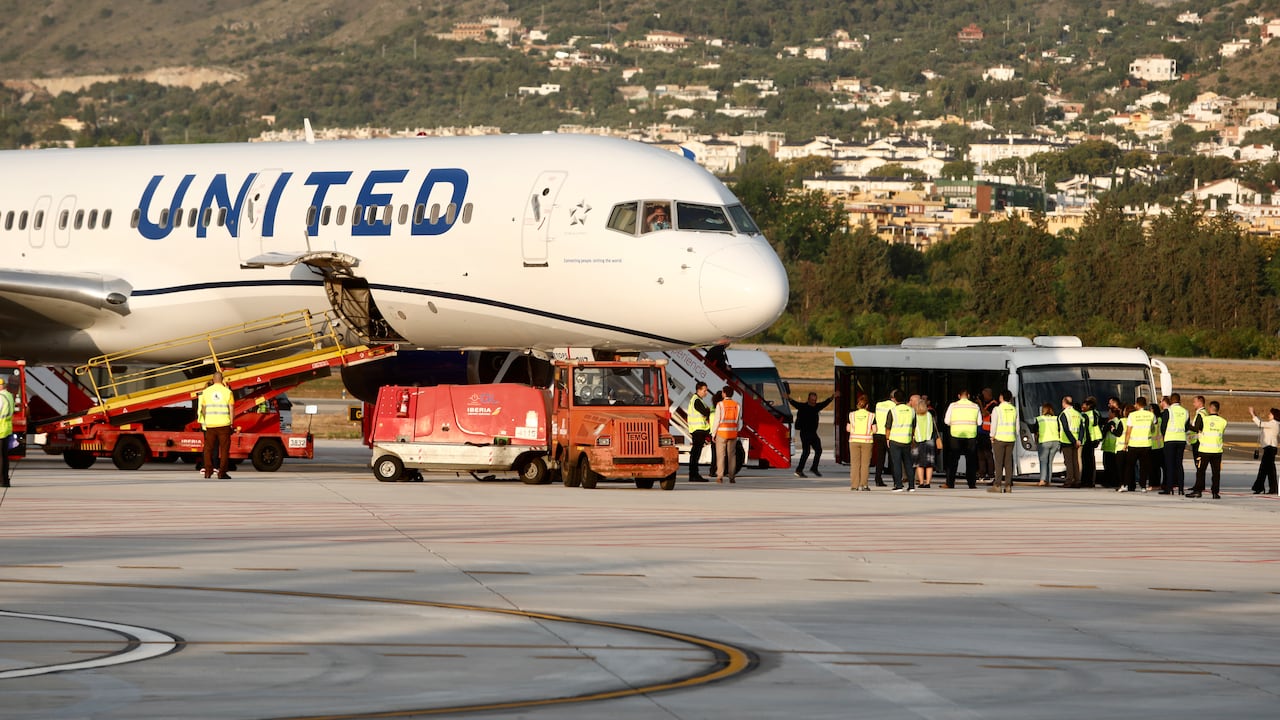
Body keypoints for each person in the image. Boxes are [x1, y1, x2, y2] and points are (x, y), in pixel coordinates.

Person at [787, 389, 835, 477]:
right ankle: (799, 470)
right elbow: (794, 403)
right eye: (812, 400)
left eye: (815, 400)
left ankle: (814, 468)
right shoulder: (803, 406)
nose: (814, 402)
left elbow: (824, 403)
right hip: (804, 433)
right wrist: (788, 398)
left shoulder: (816, 407)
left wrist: (832, 397)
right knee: (806, 452)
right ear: (808, 399)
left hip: (813, 433)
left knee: (819, 450)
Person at [198, 370, 235, 479]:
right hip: (224, 424)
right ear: (222, 380)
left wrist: (206, 420)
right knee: (224, 450)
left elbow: (203, 409)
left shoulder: (206, 392)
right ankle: (222, 472)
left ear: (213, 380)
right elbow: (231, 408)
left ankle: (208, 471)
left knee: (208, 448)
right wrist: (231, 423)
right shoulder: (227, 392)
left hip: (211, 424)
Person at [1188, 401, 1227, 499]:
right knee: (1216, 473)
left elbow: (1197, 429)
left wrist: (1187, 425)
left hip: (1204, 450)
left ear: (1210, 408)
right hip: (1217, 451)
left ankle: (1198, 491)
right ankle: (1215, 492)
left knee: (1201, 472)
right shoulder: (1223, 421)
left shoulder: (1204, 419)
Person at [943, 388, 980, 489]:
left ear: (959, 396)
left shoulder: (953, 406)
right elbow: (980, 422)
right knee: (971, 461)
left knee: (953, 460)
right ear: (968, 396)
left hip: (956, 435)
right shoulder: (975, 406)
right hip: (971, 436)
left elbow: (946, 421)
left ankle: (950, 483)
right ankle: (972, 484)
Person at [883, 390, 915, 492]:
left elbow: (888, 427)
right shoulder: (911, 411)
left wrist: (887, 438)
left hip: (895, 440)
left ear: (895, 399)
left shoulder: (892, 411)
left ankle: (899, 485)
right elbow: (914, 426)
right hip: (907, 440)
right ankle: (911, 486)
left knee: (896, 463)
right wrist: (912, 438)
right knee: (908, 463)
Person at [1122, 397, 1156, 493]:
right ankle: (1143, 486)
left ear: (1137, 404)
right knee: (1143, 467)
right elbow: (1153, 427)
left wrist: (1125, 444)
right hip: (1146, 444)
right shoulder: (1150, 415)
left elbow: (1128, 431)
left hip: (1134, 444)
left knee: (1129, 466)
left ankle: (1125, 485)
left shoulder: (1132, 415)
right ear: (1145, 404)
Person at [988, 390, 1017, 493]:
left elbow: (994, 424)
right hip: (1011, 439)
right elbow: (1017, 427)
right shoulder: (1014, 409)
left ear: (1001, 397)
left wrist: (992, 436)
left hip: (999, 439)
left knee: (999, 463)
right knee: (1008, 463)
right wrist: (1014, 435)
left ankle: (997, 485)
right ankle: (1008, 486)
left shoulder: (997, 409)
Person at [1160, 393, 1189, 495]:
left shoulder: (1168, 411)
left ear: (1171, 401)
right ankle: (1181, 488)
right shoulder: (1185, 412)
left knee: (1169, 465)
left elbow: (1163, 426)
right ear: (1179, 400)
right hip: (1181, 440)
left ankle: (1169, 488)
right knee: (1179, 465)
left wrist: (1165, 436)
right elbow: (1187, 427)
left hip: (1170, 440)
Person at [711, 386, 742, 484]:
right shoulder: (737, 405)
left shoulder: (720, 405)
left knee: (720, 455)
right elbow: (738, 421)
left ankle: (720, 476)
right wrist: (736, 430)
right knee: (732, 456)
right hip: (733, 433)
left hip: (721, 433)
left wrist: (713, 433)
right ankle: (732, 477)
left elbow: (717, 420)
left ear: (724, 393)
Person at [911, 395, 941, 489]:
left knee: (919, 463)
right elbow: (935, 429)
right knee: (929, 463)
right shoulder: (930, 415)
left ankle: (921, 482)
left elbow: (912, 428)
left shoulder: (915, 416)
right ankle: (928, 482)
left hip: (917, 441)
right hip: (930, 441)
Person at [686, 382, 713, 482]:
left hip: (698, 430)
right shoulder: (696, 400)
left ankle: (693, 474)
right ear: (699, 390)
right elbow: (705, 412)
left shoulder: (697, 400)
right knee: (695, 454)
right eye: (704, 390)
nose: (706, 393)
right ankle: (694, 475)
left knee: (695, 454)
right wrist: (709, 411)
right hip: (698, 430)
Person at [847, 394, 875, 491]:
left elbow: (848, 428)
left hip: (854, 441)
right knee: (865, 464)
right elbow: (875, 430)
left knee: (855, 464)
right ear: (867, 405)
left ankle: (854, 485)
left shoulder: (851, 415)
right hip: (867, 441)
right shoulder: (872, 416)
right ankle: (864, 485)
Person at [1249, 406, 1279, 495]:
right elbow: (1261, 423)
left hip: (1270, 449)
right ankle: (1273, 488)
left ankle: (1259, 487)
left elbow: (1260, 424)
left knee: (1263, 469)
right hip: (1269, 449)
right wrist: (1255, 415)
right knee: (1270, 470)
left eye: (1270, 413)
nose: (1269, 415)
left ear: (1274, 415)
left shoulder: (1274, 423)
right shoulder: (1272, 423)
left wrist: (1252, 413)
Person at [1058, 396, 1083, 488]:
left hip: (1067, 441)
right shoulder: (1078, 414)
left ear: (1064, 403)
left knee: (1069, 462)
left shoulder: (1064, 414)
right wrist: (1079, 440)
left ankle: (1069, 481)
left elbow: (1066, 429)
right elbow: (1081, 429)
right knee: (1076, 462)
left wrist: (1073, 441)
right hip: (1078, 442)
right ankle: (1077, 481)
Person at [872, 391, 896, 487]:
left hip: (878, 433)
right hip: (889, 434)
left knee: (880, 458)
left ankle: (878, 479)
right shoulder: (894, 406)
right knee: (893, 459)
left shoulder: (879, 404)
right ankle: (896, 480)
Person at [1080, 397, 1102, 488]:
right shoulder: (1096, 413)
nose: (1082, 406)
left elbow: (1086, 429)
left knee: (1086, 461)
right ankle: (1091, 481)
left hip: (1087, 440)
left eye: (1084, 405)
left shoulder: (1085, 415)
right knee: (1091, 461)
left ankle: (1086, 481)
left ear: (1088, 406)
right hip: (1095, 439)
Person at [1035, 403, 1059, 486]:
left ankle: (1042, 480)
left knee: (1043, 461)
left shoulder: (1040, 419)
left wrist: (1036, 441)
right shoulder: (1056, 418)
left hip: (1045, 442)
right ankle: (1048, 480)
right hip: (1056, 442)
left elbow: (1036, 431)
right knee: (1050, 462)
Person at [976, 387, 997, 484]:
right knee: (980, 454)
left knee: (988, 454)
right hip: (981, 432)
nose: (983, 397)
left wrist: (979, 404)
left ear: (989, 394)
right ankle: (982, 474)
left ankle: (991, 474)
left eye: (984, 395)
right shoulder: (986, 403)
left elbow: (985, 413)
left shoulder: (993, 405)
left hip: (987, 432)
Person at [0, 378, 14, 488]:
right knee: (4, 456)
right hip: (6, 429)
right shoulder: (9, 396)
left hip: (0, 430)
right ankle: (5, 480)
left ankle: (1, 480)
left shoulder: (0, 397)